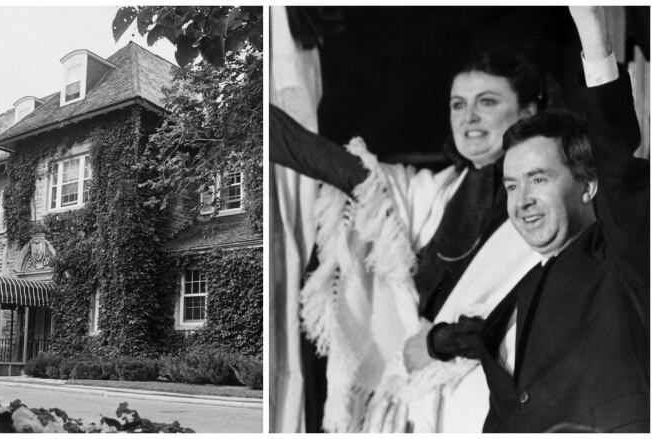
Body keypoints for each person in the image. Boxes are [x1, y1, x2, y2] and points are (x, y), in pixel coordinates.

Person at [270, 42, 551, 432]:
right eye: (458, 104)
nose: (469, 117)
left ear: (528, 112)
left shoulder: (549, 204)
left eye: (487, 102)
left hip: (488, 407)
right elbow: (333, 165)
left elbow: (543, 319)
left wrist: (440, 343)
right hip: (412, 400)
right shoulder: (430, 194)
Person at [435, 6, 648, 432]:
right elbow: (484, 341)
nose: (522, 201)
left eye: (538, 179)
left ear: (589, 186)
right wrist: (436, 342)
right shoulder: (527, 285)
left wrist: (592, 31)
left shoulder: (624, 257)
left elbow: (619, 168)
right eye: (512, 185)